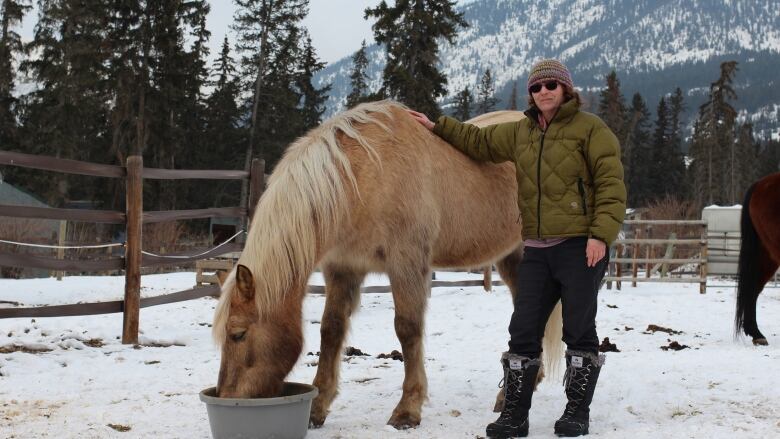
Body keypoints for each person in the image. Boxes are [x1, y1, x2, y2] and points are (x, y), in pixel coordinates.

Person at [408, 59, 626, 438]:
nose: (543, 93)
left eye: (551, 86)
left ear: (566, 89)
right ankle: (514, 415)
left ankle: (576, 412)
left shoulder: (593, 131)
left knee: (579, 331)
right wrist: (436, 126)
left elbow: (611, 187)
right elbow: (479, 142)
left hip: (579, 247)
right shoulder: (521, 132)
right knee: (523, 332)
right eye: (536, 88)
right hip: (537, 249)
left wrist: (600, 236)